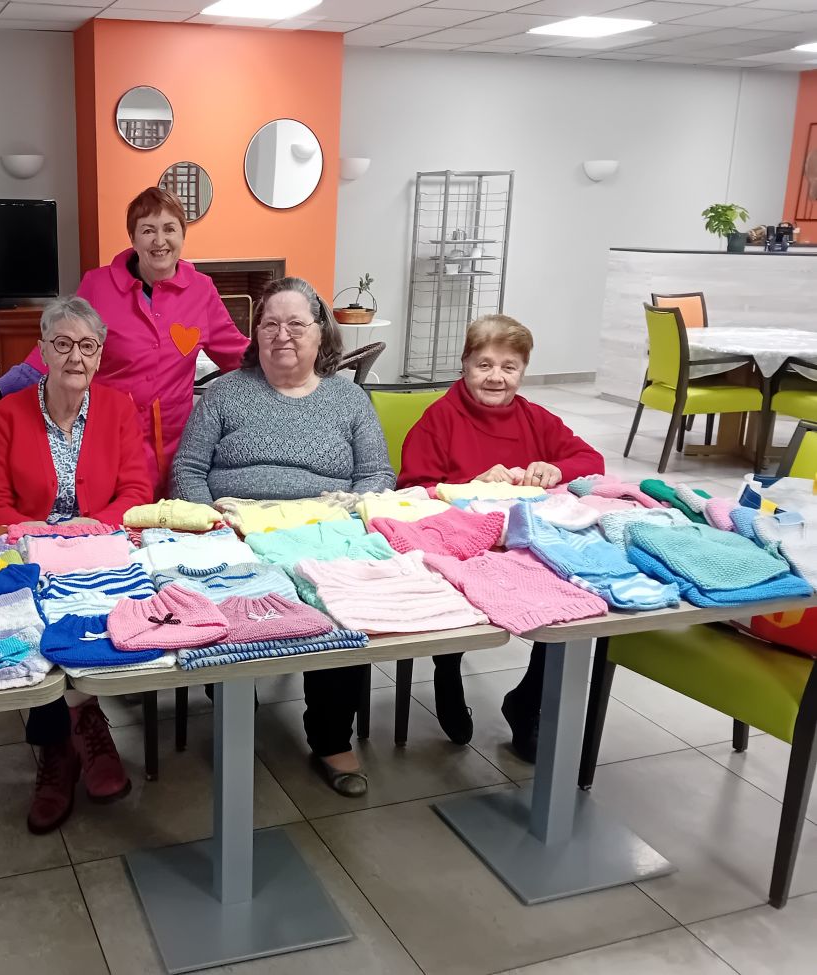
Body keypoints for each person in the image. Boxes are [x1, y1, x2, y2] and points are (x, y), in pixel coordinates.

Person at [173, 277, 394, 796]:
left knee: (339, 606)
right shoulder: (224, 392)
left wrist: (345, 516)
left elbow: (377, 476)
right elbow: (187, 468)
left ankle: (330, 735)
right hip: (239, 532)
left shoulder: (348, 398)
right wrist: (213, 523)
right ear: (256, 334)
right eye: (270, 324)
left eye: (297, 323)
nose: (282, 335)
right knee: (229, 602)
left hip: (322, 530)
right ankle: (236, 704)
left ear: (321, 333)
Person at [0, 295, 153, 834]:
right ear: (44, 350)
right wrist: (39, 532)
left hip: (99, 547)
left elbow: (137, 490)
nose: (76, 356)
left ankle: (71, 733)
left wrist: (92, 526)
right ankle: (69, 741)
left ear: (99, 356)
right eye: (63, 344)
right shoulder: (7, 414)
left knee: (104, 617)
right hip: (31, 550)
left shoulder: (119, 408)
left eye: (88, 346)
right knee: (34, 625)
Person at [397, 314, 604, 761]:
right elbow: (410, 492)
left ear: (524, 370)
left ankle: (527, 703)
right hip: (458, 545)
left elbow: (591, 459)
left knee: (573, 604)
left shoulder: (535, 418)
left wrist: (558, 468)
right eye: (484, 365)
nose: (496, 377)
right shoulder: (439, 420)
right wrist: (471, 485)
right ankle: (446, 667)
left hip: (523, 545)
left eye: (509, 367)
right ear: (465, 364)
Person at [0, 187, 249, 495]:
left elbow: (237, 354)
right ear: (133, 238)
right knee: (115, 524)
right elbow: (57, 347)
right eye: (148, 230)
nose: (159, 241)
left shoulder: (201, 290)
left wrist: (293, 370)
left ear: (183, 234)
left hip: (178, 446)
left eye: (169, 229)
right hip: (110, 438)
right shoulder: (98, 285)